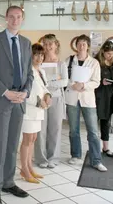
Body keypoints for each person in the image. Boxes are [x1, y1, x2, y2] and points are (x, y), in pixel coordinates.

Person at [0, 5, 33, 204]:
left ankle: (8, 182)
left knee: (13, 145)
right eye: (11, 17)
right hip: (1, 100)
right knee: (0, 145)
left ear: (22, 19)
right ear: (6, 18)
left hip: (19, 102)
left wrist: (25, 92)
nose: (14, 20)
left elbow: (29, 73)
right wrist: (6, 92)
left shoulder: (26, 43)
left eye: (18, 17)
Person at [65, 34, 107, 172]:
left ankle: (96, 160)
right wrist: (73, 85)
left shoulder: (94, 63)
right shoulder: (69, 60)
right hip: (72, 98)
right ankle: (76, 155)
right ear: (76, 46)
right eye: (79, 43)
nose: (81, 46)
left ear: (88, 46)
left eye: (84, 44)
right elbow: (64, 77)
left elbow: (96, 81)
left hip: (88, 100)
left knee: (93, 131)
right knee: (73, 130)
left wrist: (83, 86)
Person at [35, 34, 68, 168]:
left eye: (50, 44)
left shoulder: (61, 64)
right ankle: (41, 158)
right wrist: (53, 82)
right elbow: (36, 81)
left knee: (55, 128)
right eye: (45, 44)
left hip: (57, 99)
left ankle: (53, 158)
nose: (48, 47)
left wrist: (47, 84)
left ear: (56, 45)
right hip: (41, 99)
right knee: (40, 130)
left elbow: (64, 81)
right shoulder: (39, 62)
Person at [20, 43, 51, 183]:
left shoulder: (41, 71)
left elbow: (44, 88)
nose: (39, 57)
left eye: (41, 55)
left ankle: (29, 167)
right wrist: (39, 102)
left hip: (38, 111)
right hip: (29, 110)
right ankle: (24, 170)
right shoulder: (26, 71)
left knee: (32, 139)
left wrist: (48, 96)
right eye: (36, 54)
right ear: (31, 55)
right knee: (27, 140)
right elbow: (25, 93)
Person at [94, 41, 113, 157]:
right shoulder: (96, 62)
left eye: (112, 54)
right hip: (97, 96)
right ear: (103, 52)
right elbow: (90, 79)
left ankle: (106, 147)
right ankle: (94, 149)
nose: (110, 56)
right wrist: (100, 82)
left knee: (106, 123)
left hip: (109, 96)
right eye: (108, 53)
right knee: (94, 124)